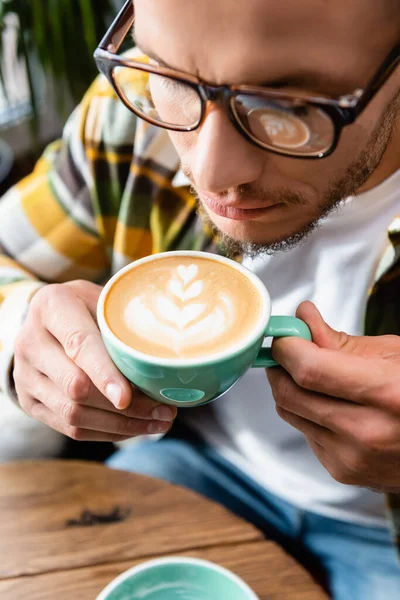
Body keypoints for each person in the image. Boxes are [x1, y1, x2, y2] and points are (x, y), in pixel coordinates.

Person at [1, 0, 400, 596]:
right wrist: (23, 333)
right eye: (171, 76)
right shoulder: (132, 110)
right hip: (188, 462)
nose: (212, 173)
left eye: (287, 106)